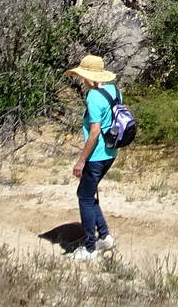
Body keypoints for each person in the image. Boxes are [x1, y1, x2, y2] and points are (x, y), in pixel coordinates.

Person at [64, 54, 121, 259]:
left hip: (96, 155)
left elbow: (95, 131)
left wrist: (81, 160)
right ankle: (104, 237)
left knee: (84, 197)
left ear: (88, 77)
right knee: (89, 195)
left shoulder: (93, 97)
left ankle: (89, 248)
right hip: (110, 152)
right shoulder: (113, 91)